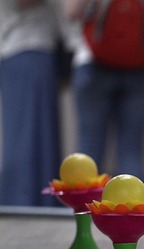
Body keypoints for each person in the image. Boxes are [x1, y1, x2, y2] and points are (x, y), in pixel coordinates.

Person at [62, 0, 144, 180]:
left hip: (93, 65)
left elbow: (73, 12)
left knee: (89, 148)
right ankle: (131, 206)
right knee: (132, 149)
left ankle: (84, 206)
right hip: (141, 69)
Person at [0, 0, 62, 206]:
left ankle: (39, 203)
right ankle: (23, 204)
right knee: (25, 138)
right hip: (24, 47)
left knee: (39, 137)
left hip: (31, 50)